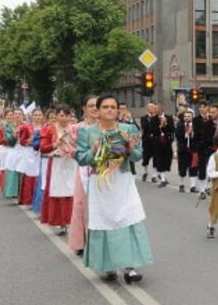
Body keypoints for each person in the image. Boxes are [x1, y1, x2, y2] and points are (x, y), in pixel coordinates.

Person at [75, 94, 151, 283]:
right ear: (98, 111)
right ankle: (108, 265)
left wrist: (129, 148)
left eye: (113, 107)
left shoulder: (128, 129)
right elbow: (81, 159)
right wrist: (93, 150)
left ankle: (130, 266)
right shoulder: (87, 132)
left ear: (118, 110)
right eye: (106, 107)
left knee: (127, 220)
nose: (110, 110)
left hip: (122, 181)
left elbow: (137, 156)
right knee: (105, 222)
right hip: (100, 183)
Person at [40, 104, 78, 236]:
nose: (64, 118)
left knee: (73, 191)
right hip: (57, 164)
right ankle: (62, 222)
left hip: (72, 163)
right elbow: (43, 148)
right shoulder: (50, 129)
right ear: (56, 116)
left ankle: (73, 220)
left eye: (67, 115)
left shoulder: (74, 129)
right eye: (61, 115)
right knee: (59, 192)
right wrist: (56, 144)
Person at [69, 95, 99, 256]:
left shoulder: (105, 126)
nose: (94, 108)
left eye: (97, 105)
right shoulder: (77, 128)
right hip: (83, 170)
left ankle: (98, 242)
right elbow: (71, 148)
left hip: (102, 171)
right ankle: (80, 241)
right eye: (91, 105)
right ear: (84, 108)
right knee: (81, 204)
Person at [175, 109, 199, 193]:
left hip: (193, 150)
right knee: (182, 168)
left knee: (193, 168)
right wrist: (187, 133)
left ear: (192, 117)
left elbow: (199, 137)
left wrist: (192, 134)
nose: (186, 118)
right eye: (185, 116)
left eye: (189, 116)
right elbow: (178, 136)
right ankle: (181, 184)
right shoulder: (180, 125)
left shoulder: (196, 126)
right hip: (183, 150)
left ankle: (193, 186)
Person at [191, 101, 212, 192]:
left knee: (211, 167)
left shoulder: (212, 118)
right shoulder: (196, 119)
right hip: (201, 146)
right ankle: (202, 188)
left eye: (204, 106)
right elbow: (198, 132)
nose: (202, 108)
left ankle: (208, 186)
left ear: (208, 108)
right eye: (200, 107)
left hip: (211, 146)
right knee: (202, 167)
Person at [154, 105, 175, 187]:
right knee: (160, 160)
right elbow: (153, 130)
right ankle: (162, 179)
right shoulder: (154, 119)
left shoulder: (169, 118)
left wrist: (166, 125)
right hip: (158, 143)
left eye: (157, 109)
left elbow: (173, 129)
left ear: (162, 109)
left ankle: (162, 176)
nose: (155, 110)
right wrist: (160, 126)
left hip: (167, 142)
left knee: (167, 160)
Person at [118, 102, 140, 176]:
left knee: (130, 161)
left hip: (129, 144)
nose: (123, 110)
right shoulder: (115, 119)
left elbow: (137, 129)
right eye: (121, 109)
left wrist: (130, 120)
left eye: (124, 109)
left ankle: (132, 174)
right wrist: (120, 119)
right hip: (118, 145)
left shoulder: (130, 119)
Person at [140, 102, 160, 183]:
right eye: (150, 107)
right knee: (146, 158)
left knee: (156, 158)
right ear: (147, 108)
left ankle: (154, 176)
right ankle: (145, 172)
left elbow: (158, 128)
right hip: (146, 141)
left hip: (155, 141)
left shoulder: (158, 118)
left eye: (153, 107)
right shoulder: (144, 118)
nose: (152, 108)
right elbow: (145, 127)